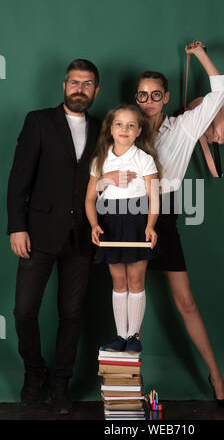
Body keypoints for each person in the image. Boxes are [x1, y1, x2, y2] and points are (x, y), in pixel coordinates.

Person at [101, 41, 224, 407]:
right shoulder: (126, 132)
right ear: (135, 98)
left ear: (166, 96)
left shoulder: (183, 127)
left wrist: (201, 54)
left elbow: (221, 89)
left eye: (155, 94)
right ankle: (129, 391)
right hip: (125, 217)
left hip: (164, 216)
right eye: (141, 95)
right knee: (129, 306)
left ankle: (217, 377)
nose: (148, 101)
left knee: (186, 303)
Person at [7, 59, 101, 414]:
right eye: (74, 82)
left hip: (82, 238)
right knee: (23, 312)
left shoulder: (103, 127)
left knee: (72, 315)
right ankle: (35, 371)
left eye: (87, 83)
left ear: (96, 90)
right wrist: (17, 225)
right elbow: (19, 178)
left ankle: (61, 382)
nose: (80, 88)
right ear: (64, 86)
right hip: (37, 233)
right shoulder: (39, 121)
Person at [85, 105, 160, 353]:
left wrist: (150, 226)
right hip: (110, 223)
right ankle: (120, 336)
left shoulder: (145, 159)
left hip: (138, 221)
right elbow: (89, 199)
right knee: (119, 281)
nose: (124, 129)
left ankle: (132, 337)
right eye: (119, 124)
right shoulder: (100, 159)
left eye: (131, 125)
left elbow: (154, 198)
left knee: (136, 280)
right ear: (110, 128)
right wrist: (95, 224)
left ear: (139, 131)